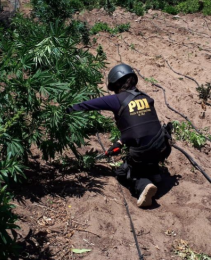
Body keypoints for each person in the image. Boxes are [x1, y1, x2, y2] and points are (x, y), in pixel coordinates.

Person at [67, 64, 172, 207]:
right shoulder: (146, 98)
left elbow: (87, 105)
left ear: (116, 84)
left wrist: (66, 110)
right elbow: (142, 128)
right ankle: (154, 172)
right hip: (163, 147)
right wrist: (119, 143)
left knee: (123, 172)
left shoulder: (116, 100)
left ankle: (143, 185)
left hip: (143, 153)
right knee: (146, 147)